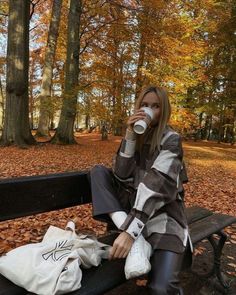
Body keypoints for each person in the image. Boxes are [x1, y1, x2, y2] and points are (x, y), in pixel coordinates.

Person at [89, 85, 193, 294]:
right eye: (144, 105)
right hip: (130, 210)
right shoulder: (135, 136)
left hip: (163, 216)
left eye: (155, 106)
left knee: (162, 287)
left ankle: (134, 238)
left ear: (164, 111)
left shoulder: (171, 140)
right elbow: (120, 174)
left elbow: (157, 185)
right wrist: (130, 135)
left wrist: (130, 232)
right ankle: (138, 243)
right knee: (98, 172)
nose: (149, 110)